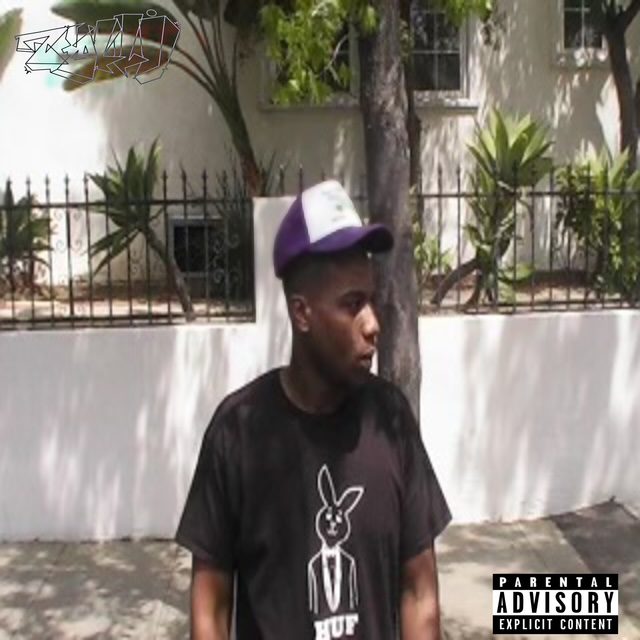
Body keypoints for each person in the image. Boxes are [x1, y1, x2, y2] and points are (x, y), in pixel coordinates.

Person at [175, 180, 452, 640]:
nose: (373, 324)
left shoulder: (391, 419)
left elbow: (419, 591)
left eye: (372, 300)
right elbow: (212, 605)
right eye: (352, 304)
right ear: (302, 313)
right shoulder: (237, 432)